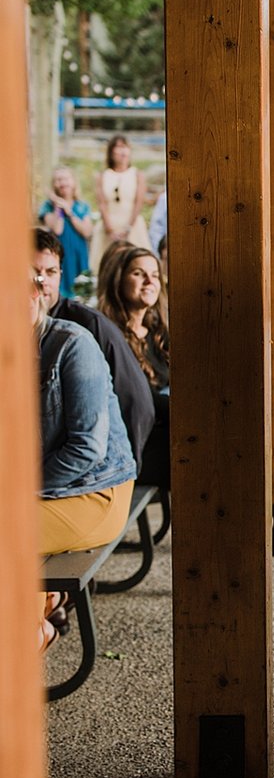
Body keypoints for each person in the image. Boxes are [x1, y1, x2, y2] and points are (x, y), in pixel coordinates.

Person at [33, 265, 136, 650]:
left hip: (95, 491)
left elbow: (86, 449)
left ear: (36, 296)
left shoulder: (71, 345)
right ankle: (41, 610)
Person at [32, 228, 154, 473]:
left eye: (51, 272)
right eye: (34, 272)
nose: (42, 281)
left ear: (61, 275)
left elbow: (137, 402)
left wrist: (125, 469)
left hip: (92, 468)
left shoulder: (85, 328)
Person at [99, 245, 170, 489]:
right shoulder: (108, 337)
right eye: (138, 273)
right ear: (119, 280)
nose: (149, 280)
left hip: (167, 430)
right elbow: (139, 398)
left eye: (154, 274)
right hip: (137, 443)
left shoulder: (159, 334)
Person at [91, 134, 150, 269]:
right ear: (111, 152)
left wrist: (128, 227)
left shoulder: (137, 174)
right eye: (117, 147)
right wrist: (110, 230)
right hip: (109, 226)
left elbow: (138, 202)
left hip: (131, 225)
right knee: (108, 264)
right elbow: (102, 203)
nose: (122, 151)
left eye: (124, 147)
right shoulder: (103, 175)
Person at [39, 166, 93, 298]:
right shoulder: (48, 207)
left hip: (78, 255)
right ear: (54, 184)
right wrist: (58, 205)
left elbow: (87, 232)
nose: (63, 183)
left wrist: (69, 211)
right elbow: (57, 229)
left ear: (73, 182)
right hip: (59, 255)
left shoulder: (82, 206)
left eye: (66, 179)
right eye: (58, 179)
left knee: (81, 291)